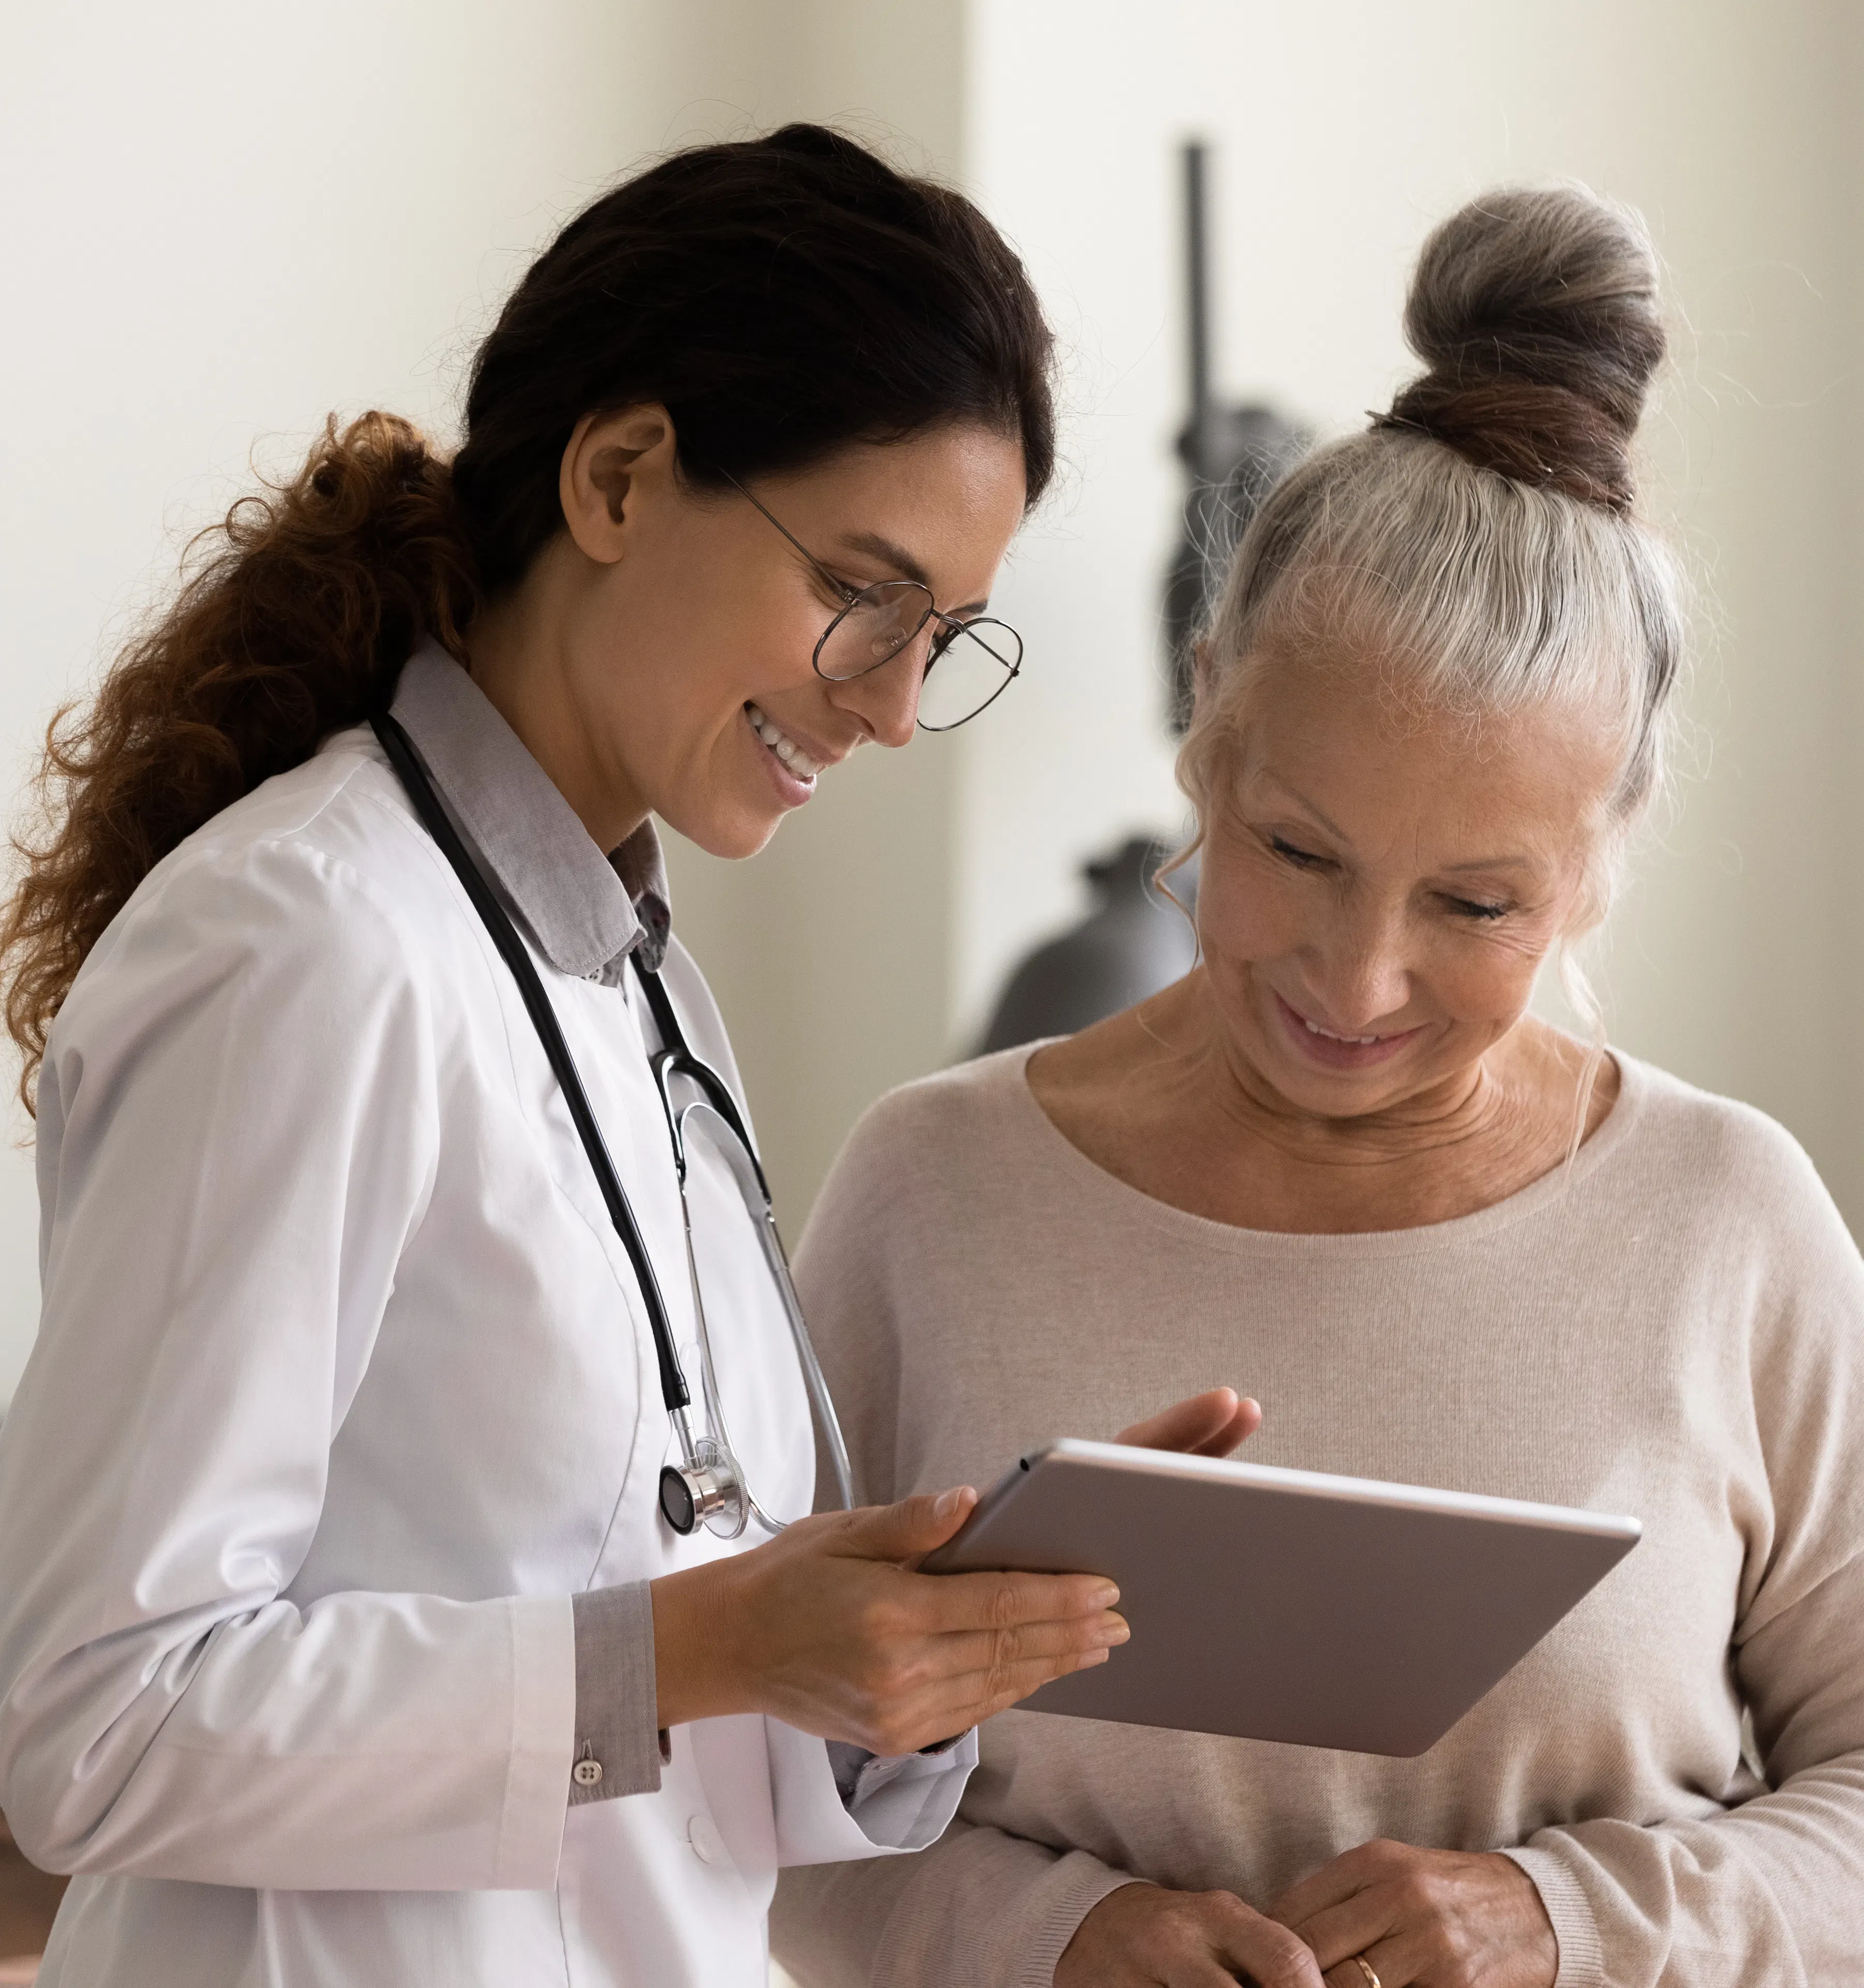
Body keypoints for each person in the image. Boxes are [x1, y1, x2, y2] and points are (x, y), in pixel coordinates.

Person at [0, 126, 1260, 1988]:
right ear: (621, 476)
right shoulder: (306, 945)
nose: (897, 707)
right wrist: (705, 1648)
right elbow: (100, 1725)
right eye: (866, 595)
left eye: (947, 639)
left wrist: (906, 1648)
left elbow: (654, 1747)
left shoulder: (631, 979)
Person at [771, 185, 1864, 1988]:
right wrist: (1056, 1940)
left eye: (1477, 903)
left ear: (1601, 861)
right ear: (1206, 715)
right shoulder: (932, 1190)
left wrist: (1569, 1924)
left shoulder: (1728, 1225)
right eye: (1294, 847)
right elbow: (770, 1796)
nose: (1356, 983)